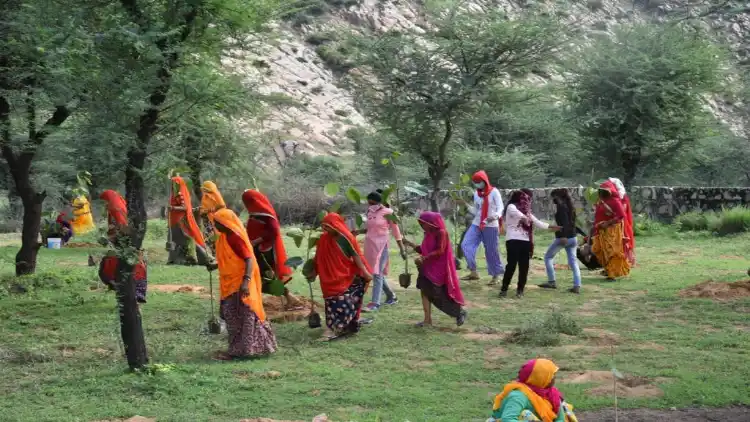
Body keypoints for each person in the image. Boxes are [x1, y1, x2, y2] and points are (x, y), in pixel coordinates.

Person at [213, 208, 277, 360]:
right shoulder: (224, 237)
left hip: (240, 283)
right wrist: (215, 265)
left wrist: (246, 281)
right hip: (230, 283)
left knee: (243, 316)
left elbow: (248, 259)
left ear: (225, 222)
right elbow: (230, 259)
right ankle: (241, 349)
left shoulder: (235, 238)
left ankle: (243, 350)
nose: (215, 224)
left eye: (217, 222)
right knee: (234, 318)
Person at [306, 213, 373, 340]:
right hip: (328, 278)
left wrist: (364, 271)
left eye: (328, 227)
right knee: (331, 303)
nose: (326, 230)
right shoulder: (324, 239)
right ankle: (337, 327)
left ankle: (335, 328)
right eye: (324, 227)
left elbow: (356, 255)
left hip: (343, 275)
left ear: (335, 225)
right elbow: (318, 258)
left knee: (345, 299)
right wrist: (314, 272)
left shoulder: (346, 237)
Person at [402, 212, 467, 327]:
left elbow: (440, 250)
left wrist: (424, 258)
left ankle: (459, 312)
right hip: (426, 267)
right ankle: (427, 320)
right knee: (424, 291)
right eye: (421, 223)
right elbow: (423, 249)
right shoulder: (427, 234)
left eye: (424, 223)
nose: (422, 225)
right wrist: (409, 244)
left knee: (437, 293)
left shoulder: (441, 233)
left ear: (431, 223)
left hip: (437, 268)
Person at [241, 189, 302, 308]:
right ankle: (256, 299)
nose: (246, 205)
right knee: (257, 275)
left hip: (264, 252)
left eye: (247, 202)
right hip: (256, 250)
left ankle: (290, 298)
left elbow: (274, 231)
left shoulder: (266, 215)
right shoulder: (256, 213)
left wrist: (255, 241)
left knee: (266, 277)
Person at [499, 190, 559, 298]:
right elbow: (518, 214)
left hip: (525, 242)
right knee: (511, 266)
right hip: (512, 240)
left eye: (528, 198)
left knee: (524, 267)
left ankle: (520, 290)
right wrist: (525, 217)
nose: (527, 200)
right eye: (526, 198)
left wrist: (553, 227)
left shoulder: (527, 211)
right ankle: (504, 289)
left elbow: (538, 223)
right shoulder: (511, 207)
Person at [358, 190, 406, 312]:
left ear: (378, 202)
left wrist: (402, 249)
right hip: (369, 245)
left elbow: (396, 231)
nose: (369, 205)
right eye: (368, 203)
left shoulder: (388, 212)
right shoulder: (369, 211)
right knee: (375, 273)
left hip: (381, 245)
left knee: (377, 273)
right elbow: (370, 228)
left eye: (371, 202)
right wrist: (357, 232)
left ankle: (375, 303)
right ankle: (391, 296)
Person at [98, 190, 148, 303]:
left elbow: (124, 228)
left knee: (120, 266)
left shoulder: (116, 209)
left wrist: (112, 236)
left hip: (125, 244)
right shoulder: (114, 208)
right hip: (122, 244)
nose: (104, 205)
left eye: (105, 202)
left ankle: (132, 292)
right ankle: (128, 291)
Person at [490, 359, 577, 422]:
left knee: (565, 408)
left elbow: (560, 419)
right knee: (525, 415)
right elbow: (508, 419)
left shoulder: (551, 393)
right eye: (551, 375)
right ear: (541, 378)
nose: (554, 378)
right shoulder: (519, 395)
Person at [461, 170, 505, 284]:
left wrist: (495, 216)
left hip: (491, 225)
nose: (477, 184)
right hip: (477, 224)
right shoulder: (476, 194)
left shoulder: (494, 192)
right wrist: (465, 205)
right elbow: (476, 211)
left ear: (485, 181)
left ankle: (496, 275)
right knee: (466, 244)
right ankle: (473, 271)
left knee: (491, 250)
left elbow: (500, 208)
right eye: (475, 182)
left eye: (479, 181)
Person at [538, 188, 583, 294]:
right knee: (573, 262)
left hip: (564, 238)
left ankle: (551, 281)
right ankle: (577, 285)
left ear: (557, 197)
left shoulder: (561, 207)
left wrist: (563, 236)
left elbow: (565, 223)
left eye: (553, 197)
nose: (552, 200)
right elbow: (572, 223)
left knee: (548, 257)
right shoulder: (570, 207)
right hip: (573, 237)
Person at [168, 176, 213, 267]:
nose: (173, 185)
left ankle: (204, 258)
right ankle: (175, 259)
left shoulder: (180, 194)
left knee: (186, 239)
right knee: (176, 240)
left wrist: (172, 208)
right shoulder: (175, 193)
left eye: (175, 184)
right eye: (172, 184)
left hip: (180, 221)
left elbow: (185, 208)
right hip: (174, 220)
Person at [591, 181, 630, 281]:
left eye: (605, 191)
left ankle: (612, 274)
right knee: (600, 250)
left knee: (613, 251)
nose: (602, 193)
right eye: (601, 191)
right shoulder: (600, 201)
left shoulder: (615, 201)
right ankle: (608, 269)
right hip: (601, 231)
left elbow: (621, 216)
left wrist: (608, 223)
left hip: (612, 231)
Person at [608, 177, 635, 266]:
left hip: (622, 222)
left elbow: (622, 211)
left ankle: (626, 261)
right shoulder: (619, 197)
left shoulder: (622, 197)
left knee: (624, 239)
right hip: (619, 222)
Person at [199, 181, 226, 254]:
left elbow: (222, 205)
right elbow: (203, 207)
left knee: (215, 237)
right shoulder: (205, 196)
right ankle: (214, 253)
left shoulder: (216, 195)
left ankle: (218, 253)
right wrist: (201, 210)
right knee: (208, 238)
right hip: (206, 219)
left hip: (215, 219)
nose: (204, 190)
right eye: (204, 189)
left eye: (206, 189)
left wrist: (209, 210)